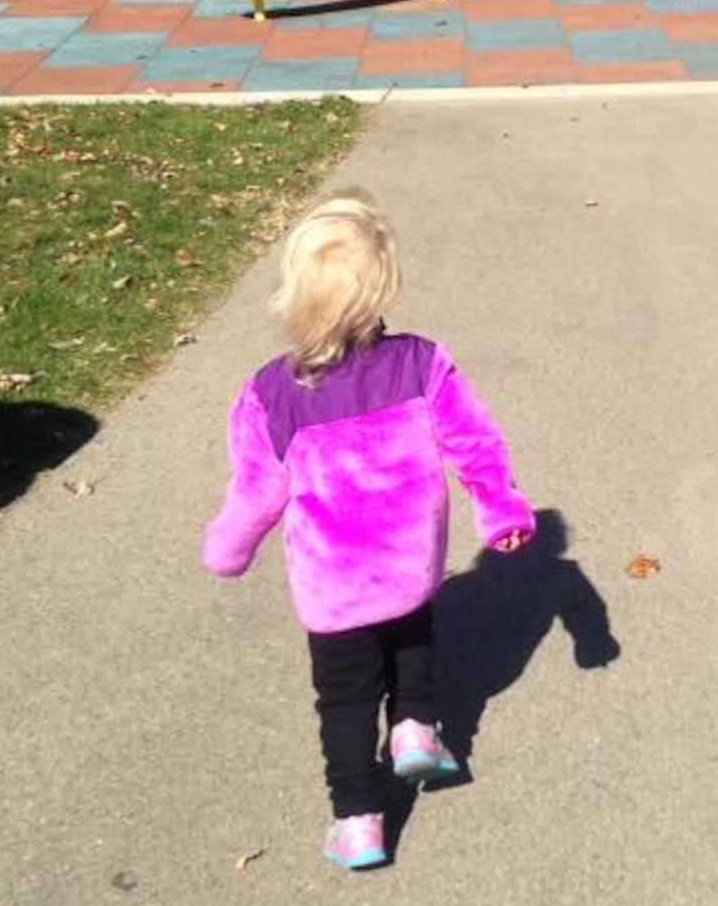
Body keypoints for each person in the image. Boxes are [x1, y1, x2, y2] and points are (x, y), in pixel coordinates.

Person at [202, 189, 535, 871]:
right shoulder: (421, 362)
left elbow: (256, 490)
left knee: (346, 696)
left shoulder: (270, 392)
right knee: (413, 637)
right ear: (383, 284)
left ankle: (359, 819)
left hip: (333, 586)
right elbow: (476, 444)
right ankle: (416, 730)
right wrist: (500, 508)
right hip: (410, 561)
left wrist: (228, 548)